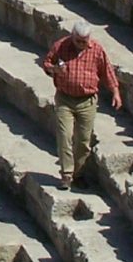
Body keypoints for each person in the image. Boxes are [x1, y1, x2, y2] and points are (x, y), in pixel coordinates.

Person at [41, 20, 122, 190]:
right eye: (78, 41)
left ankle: (78, 173)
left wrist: (115, 92)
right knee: (65, 136)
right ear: (73, 36)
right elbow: (47, 64)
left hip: (87, 101)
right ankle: (66, 175)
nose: (81, 44)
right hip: (65, 99)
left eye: (84, 41)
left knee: (84, 141)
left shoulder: (97, 50)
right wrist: (56, 69)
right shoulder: (61, 46)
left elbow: (107, 72)